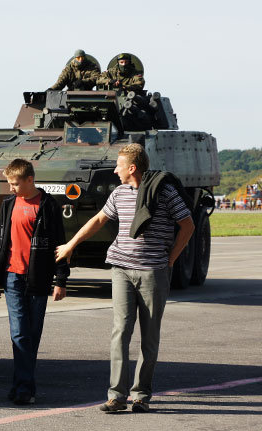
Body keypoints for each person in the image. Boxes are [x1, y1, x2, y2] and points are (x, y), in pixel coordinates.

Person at [55, 143, 195, 413]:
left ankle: (141, 395)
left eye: (119, 165)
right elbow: (98, 220)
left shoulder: (164, 192)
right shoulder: (119, 193)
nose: (115, 170)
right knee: (120, 331)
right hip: (121, 268)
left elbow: (187, 224)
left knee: (149, 336)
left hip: (153, 272)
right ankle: (116, 395)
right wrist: (72, 243)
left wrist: (172, 258)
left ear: (132, 168)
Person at [0, 158, 69, 405]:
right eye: (9, 183)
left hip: (39, 277)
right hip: (12, 276)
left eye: (15, 183)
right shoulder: (8, 204)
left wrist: (61, 280)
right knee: (19, 333)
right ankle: (25, 388)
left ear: (30, 180)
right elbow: (0, 242)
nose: (11, 188)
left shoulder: (48, 206)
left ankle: (21, 385)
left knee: (32, 334)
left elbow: (61, 244)